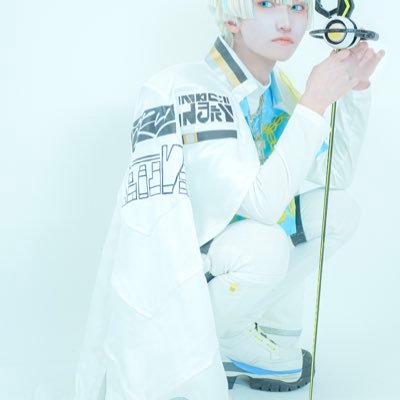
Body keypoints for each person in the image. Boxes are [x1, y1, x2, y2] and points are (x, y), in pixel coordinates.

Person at [74, 1, 385, 399]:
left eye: (297, 6)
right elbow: (262, 205)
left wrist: (356, 90)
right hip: (177, 278)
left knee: (338, 213)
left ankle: (244, 337)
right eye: (266, 3)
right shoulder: (192, 87)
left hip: (226, 255)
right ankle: (200, 346)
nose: (286, 21)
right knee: (266, 246)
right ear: (232, 16)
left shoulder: (274, 90)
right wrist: (315, 102)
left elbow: (334, 174)